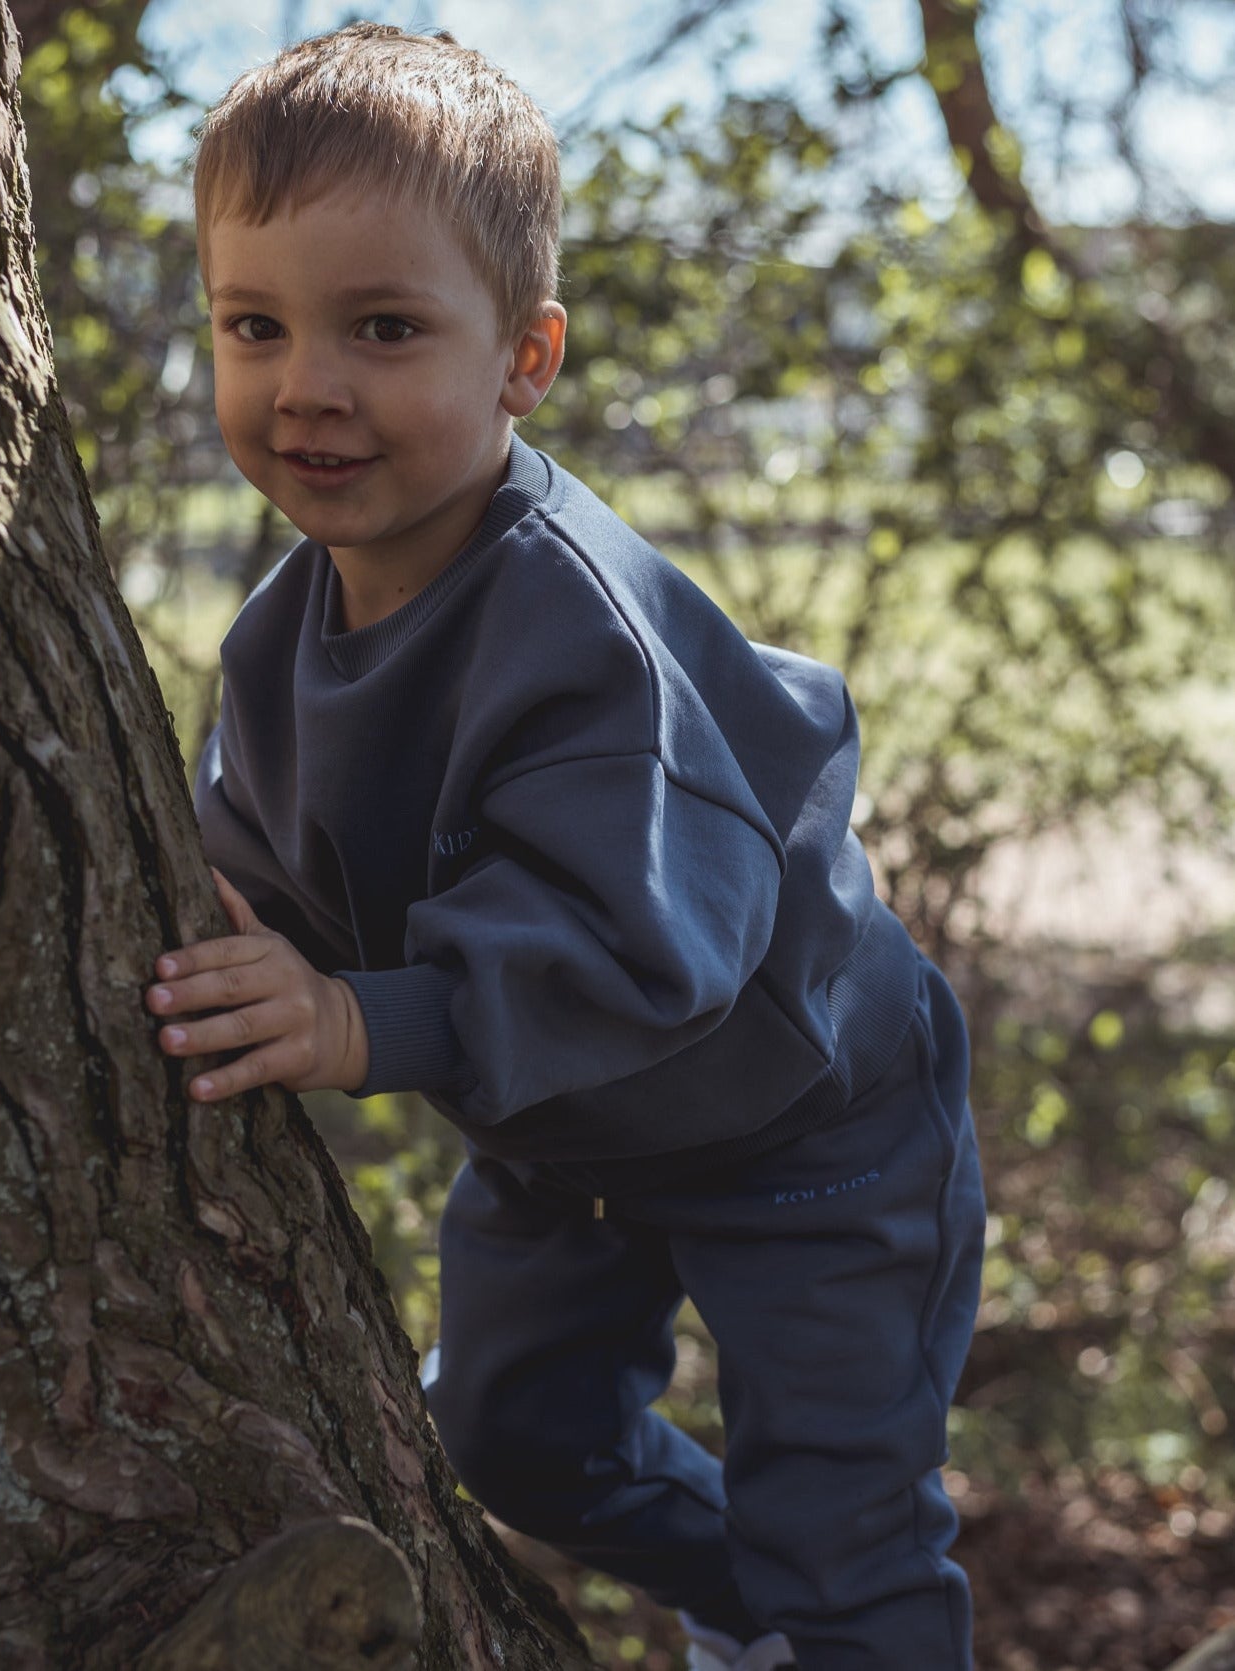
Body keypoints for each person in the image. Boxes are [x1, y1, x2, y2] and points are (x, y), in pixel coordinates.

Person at [144, 23, 986, 1671]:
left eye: (382, 328)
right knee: (508, 1440)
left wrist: (355, 1021)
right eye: (256, 325)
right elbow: (253, 856)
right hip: (569, 1145)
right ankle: (749, 1605)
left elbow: (639, 945)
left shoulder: (578, 632)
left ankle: (821, 1609)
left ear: (523, 358)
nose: (305, 382)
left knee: (844, 1524)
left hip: (806, 1128)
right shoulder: (277, 636)